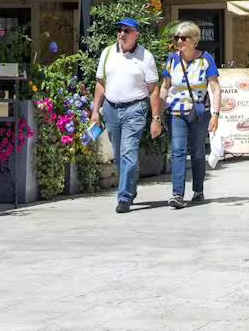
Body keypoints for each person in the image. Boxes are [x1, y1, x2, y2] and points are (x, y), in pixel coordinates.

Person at [90, 18, 163, 213]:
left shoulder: (145, 57)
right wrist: (95, 111)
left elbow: (153, 89)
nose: (121, 34)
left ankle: (123, 197)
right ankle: (130, 188)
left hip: (135, 109)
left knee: (128, 152)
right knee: (118, 154)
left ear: (136, 34)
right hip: (111, 108)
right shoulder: (107, 53)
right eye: (119, 30)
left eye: (126, 31)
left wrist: (156, 119)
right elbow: (100, 84)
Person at [160, 21, 221, 209]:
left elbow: (215, 88)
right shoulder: (172, 60)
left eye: (183, 38)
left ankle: (198, 189)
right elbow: (165, 86)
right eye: (176, 37)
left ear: (194, 40)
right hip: (175, 112)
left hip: (198, 113)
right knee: (177, 151)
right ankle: (177, 194)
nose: (179, 41)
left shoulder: (205, 59)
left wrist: (215, 114)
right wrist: (159, 111)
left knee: (197, 151)